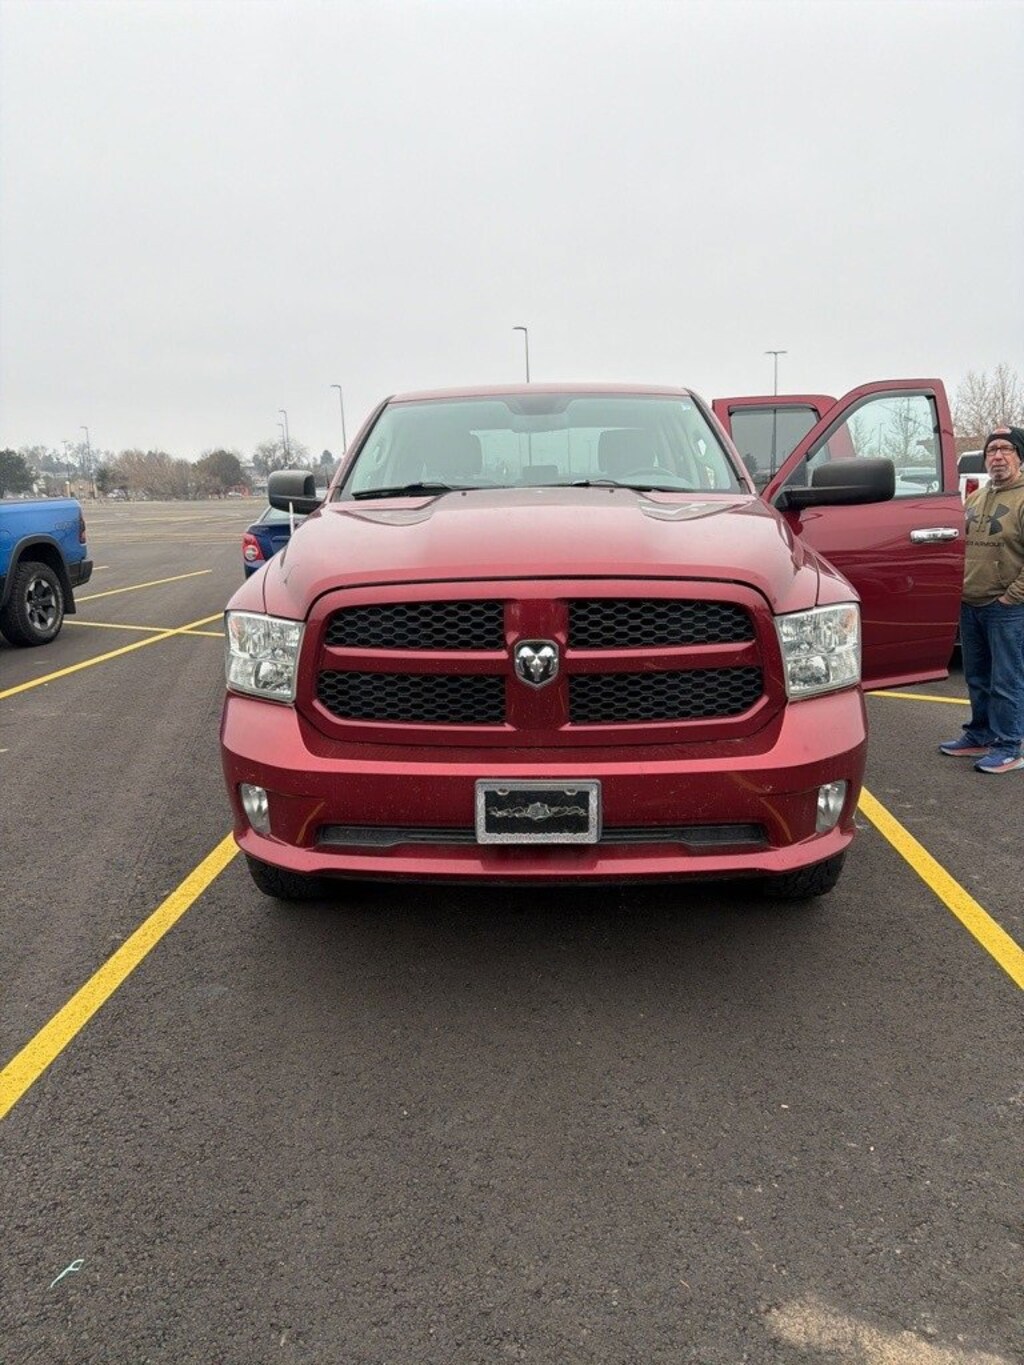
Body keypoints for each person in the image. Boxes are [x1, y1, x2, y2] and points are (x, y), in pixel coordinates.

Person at [939, 425, 1024, 773]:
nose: (998, 456)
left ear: (1019, 456)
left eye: (1006, 449)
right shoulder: (976, 498)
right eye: (992, 451)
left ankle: (1010, 746)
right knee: (977, 677)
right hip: (970, 603)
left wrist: (1011, 597)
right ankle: (980, 735)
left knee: (1006, 680)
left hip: (1005, 607)